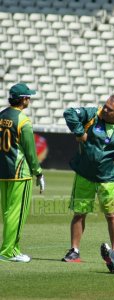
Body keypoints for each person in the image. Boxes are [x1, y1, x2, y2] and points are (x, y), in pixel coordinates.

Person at [62, 95, 114, 263]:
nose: (104, 110)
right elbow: (69, 113)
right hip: (84, 175)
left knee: (111, 215)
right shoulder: (92, 115)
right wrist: (80, 132)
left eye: (109, 109)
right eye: (104, 106)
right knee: (79, 214)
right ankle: (74, 251)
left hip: (107, 179)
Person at [0, 82, 45, 263]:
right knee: (17, 214)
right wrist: (39, 173)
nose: (29, 100)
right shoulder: (23, 121)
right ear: (23, 99)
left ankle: (12, 248)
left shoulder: (1, 115)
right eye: (28, 97)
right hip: (20, 173)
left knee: (7, 212)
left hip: (2, 171)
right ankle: (8, 251)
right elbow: (30, 152)